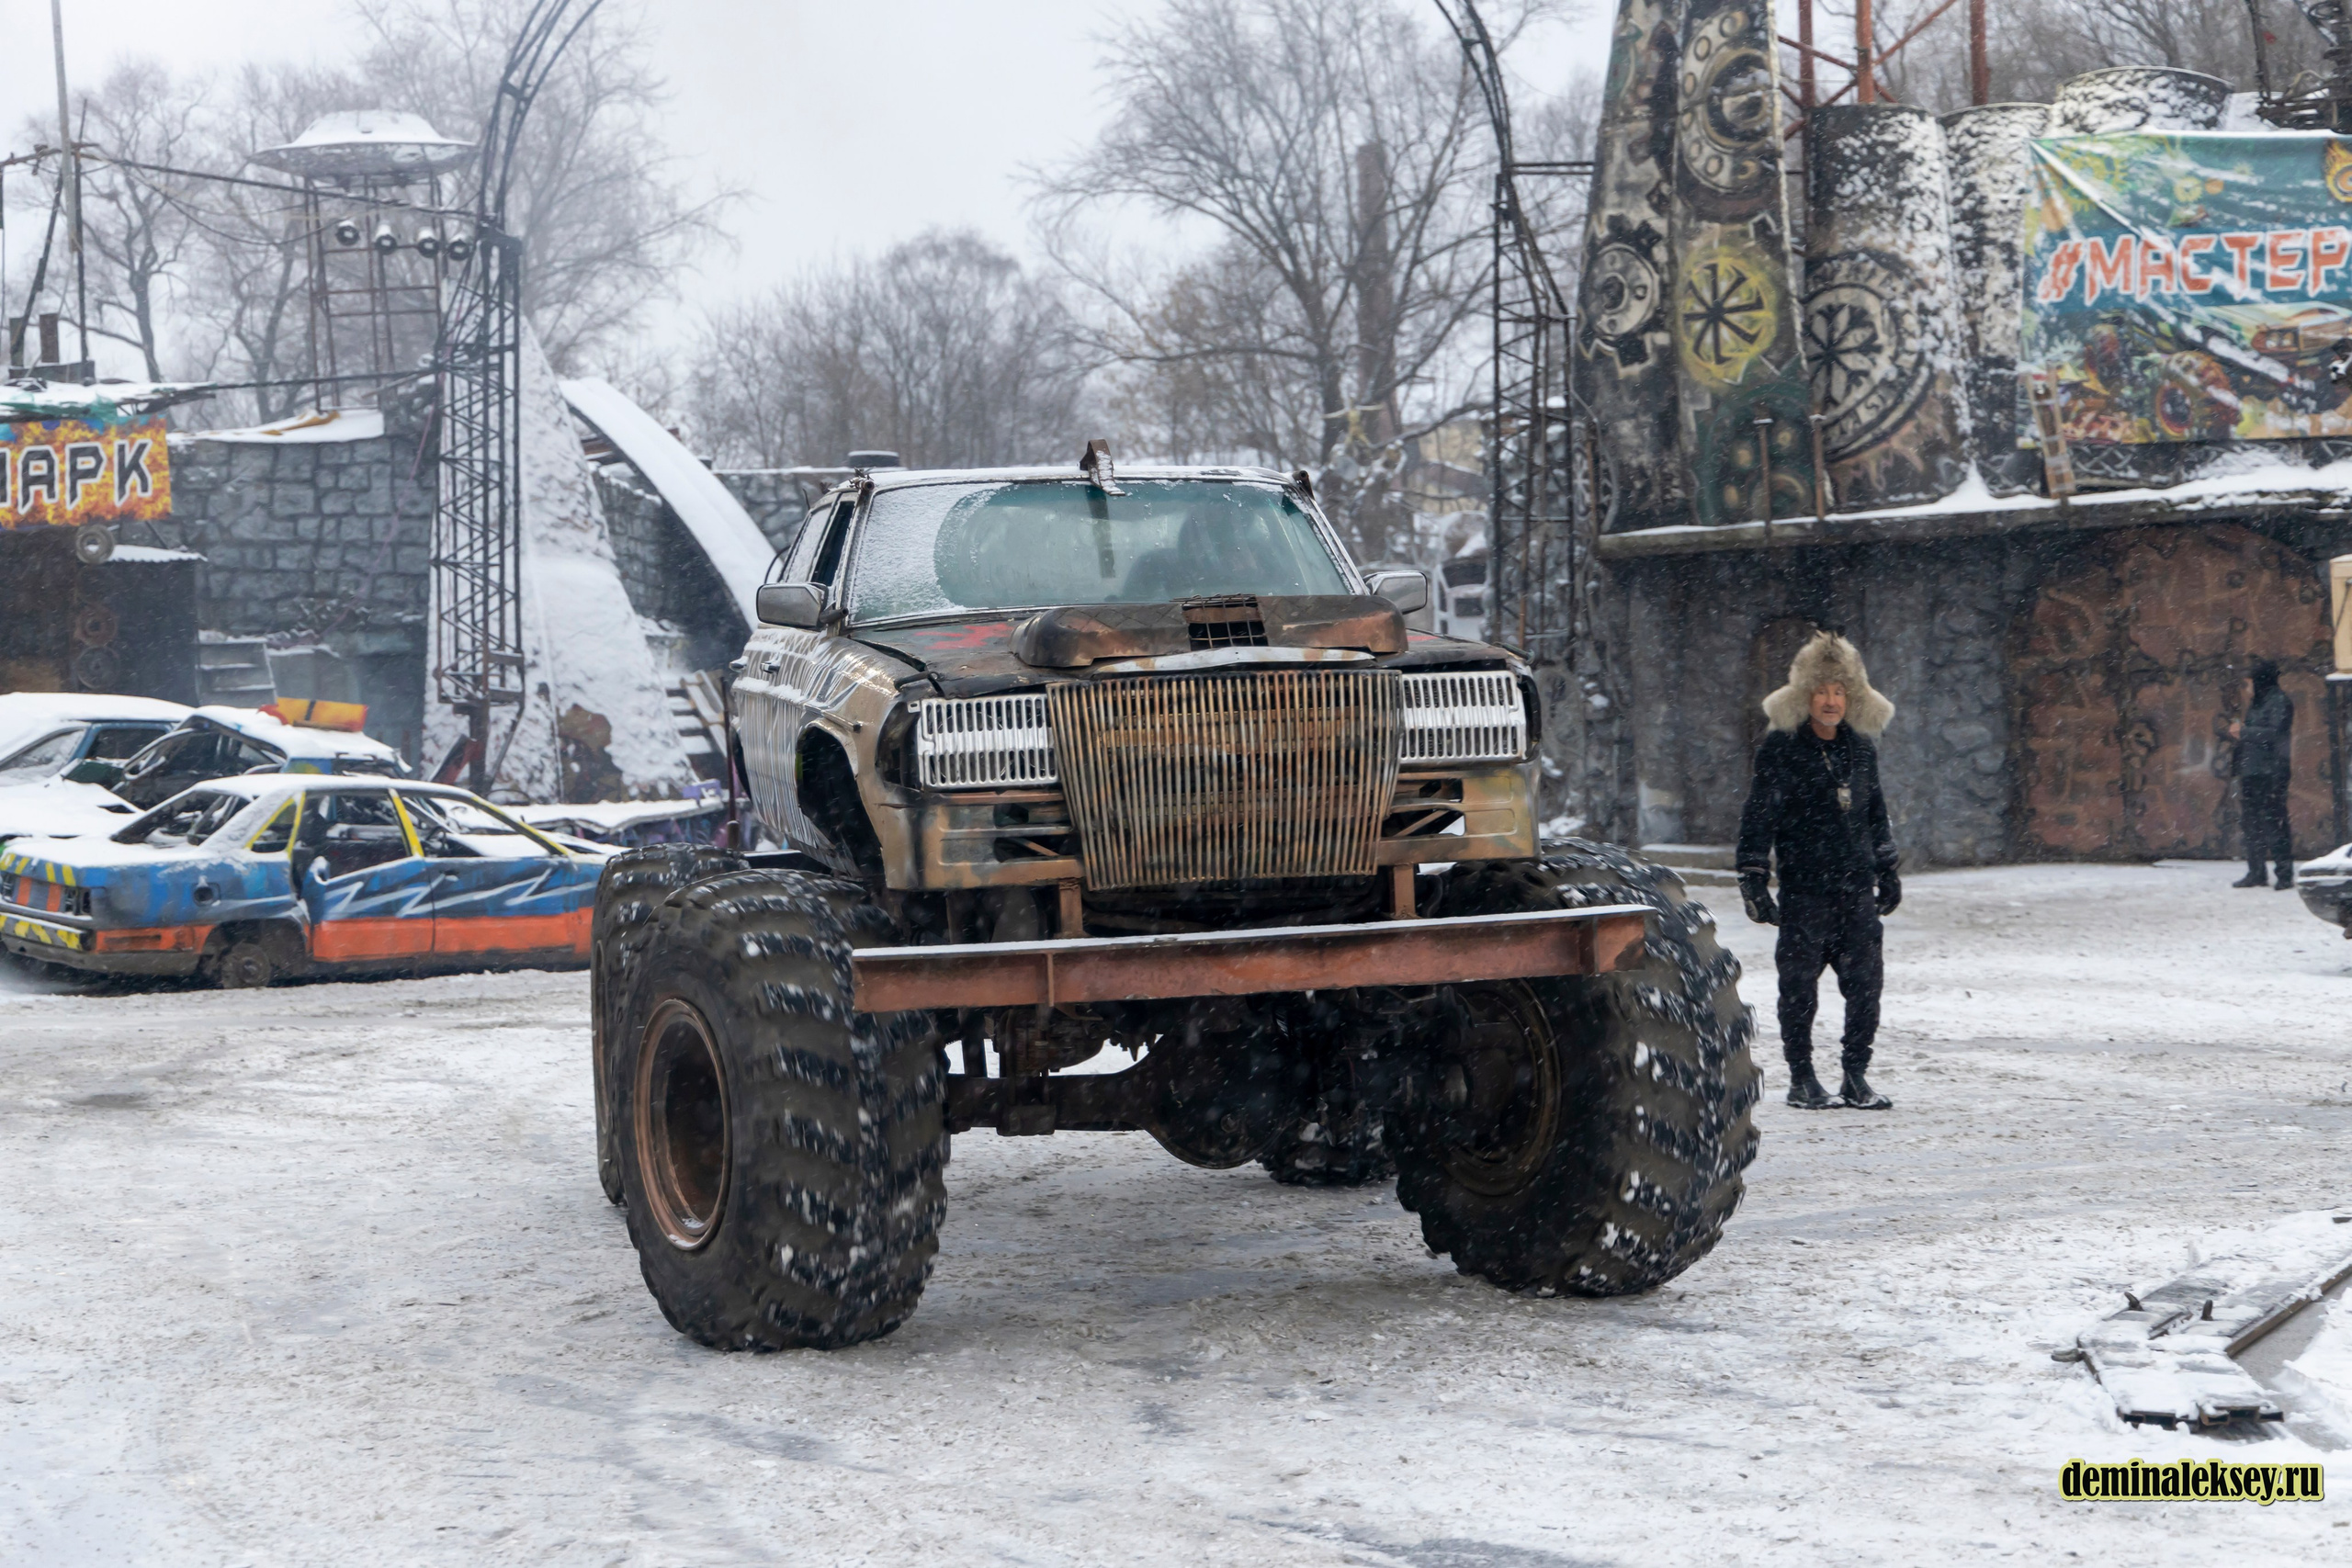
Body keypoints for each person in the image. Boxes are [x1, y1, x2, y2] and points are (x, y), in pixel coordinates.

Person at [1735, 631, 1902, 1111]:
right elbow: (1759, 813)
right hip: (1805, 892)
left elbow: (1875, 812)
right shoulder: (1781, 749)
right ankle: (1802, 1079)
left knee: (1867, 986)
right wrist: (1752, 875)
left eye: (1839, 691)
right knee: (1799, 990)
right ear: (1805, 695)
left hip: (1856, 891)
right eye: (1822, 691)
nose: (1830, 701)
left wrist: (1887, 868)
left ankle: (1855, 1077)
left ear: (1852, 696)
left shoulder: (1862, 750)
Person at [2228, 660, 2296, 889]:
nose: (2247, 689)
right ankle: (2256, 872)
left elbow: (2275, 734)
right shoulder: (2258, 703)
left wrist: (2244, 732)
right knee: (2252, 824)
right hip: (2253, 771)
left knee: (2274, 823)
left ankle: (2284, 873)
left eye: (2249, 683)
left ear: (2261, 681)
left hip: (2271, 772)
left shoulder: (2278, 701)